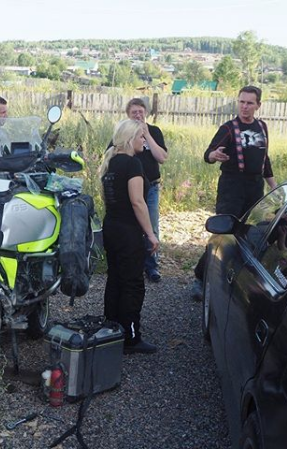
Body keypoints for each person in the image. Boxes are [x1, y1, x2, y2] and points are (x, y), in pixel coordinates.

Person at [191, 86, 277, 300]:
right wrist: (214, 155)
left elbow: (265, 160)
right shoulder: (228, 128)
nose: (244, 107)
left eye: (249, 103)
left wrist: (274, 188)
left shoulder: (262, 127)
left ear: (258, 105)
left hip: (255, 187)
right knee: (223, 234)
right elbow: (207, 154)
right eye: (242, 102)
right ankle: (200, 277)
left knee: (251, 235)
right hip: (231, 187)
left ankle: (237, 281)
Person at [100, 119, 160, 354]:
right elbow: (137, 202)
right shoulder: (132, 164)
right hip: (128, 231)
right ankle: (131, 338)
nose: (144, 140)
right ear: (130, 138)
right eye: (141, 136)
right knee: (133, 283)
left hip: (111, 226)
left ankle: (111, 331)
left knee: (115, 278)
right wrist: (151, 234)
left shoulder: (110, 162)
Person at [108, 98, 168, 283]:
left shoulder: (154, 132)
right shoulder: (123, 132)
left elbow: (162, 157)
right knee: (130, 225)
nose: (138, 115)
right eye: (134, 112)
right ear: (128, 114)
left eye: (141, 112)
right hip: (127, 186)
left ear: (146, 113)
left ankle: (151, 266)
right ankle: (133, 264)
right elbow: (110, 155)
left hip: (151, 186)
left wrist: (147, 135)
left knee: (151, 224)